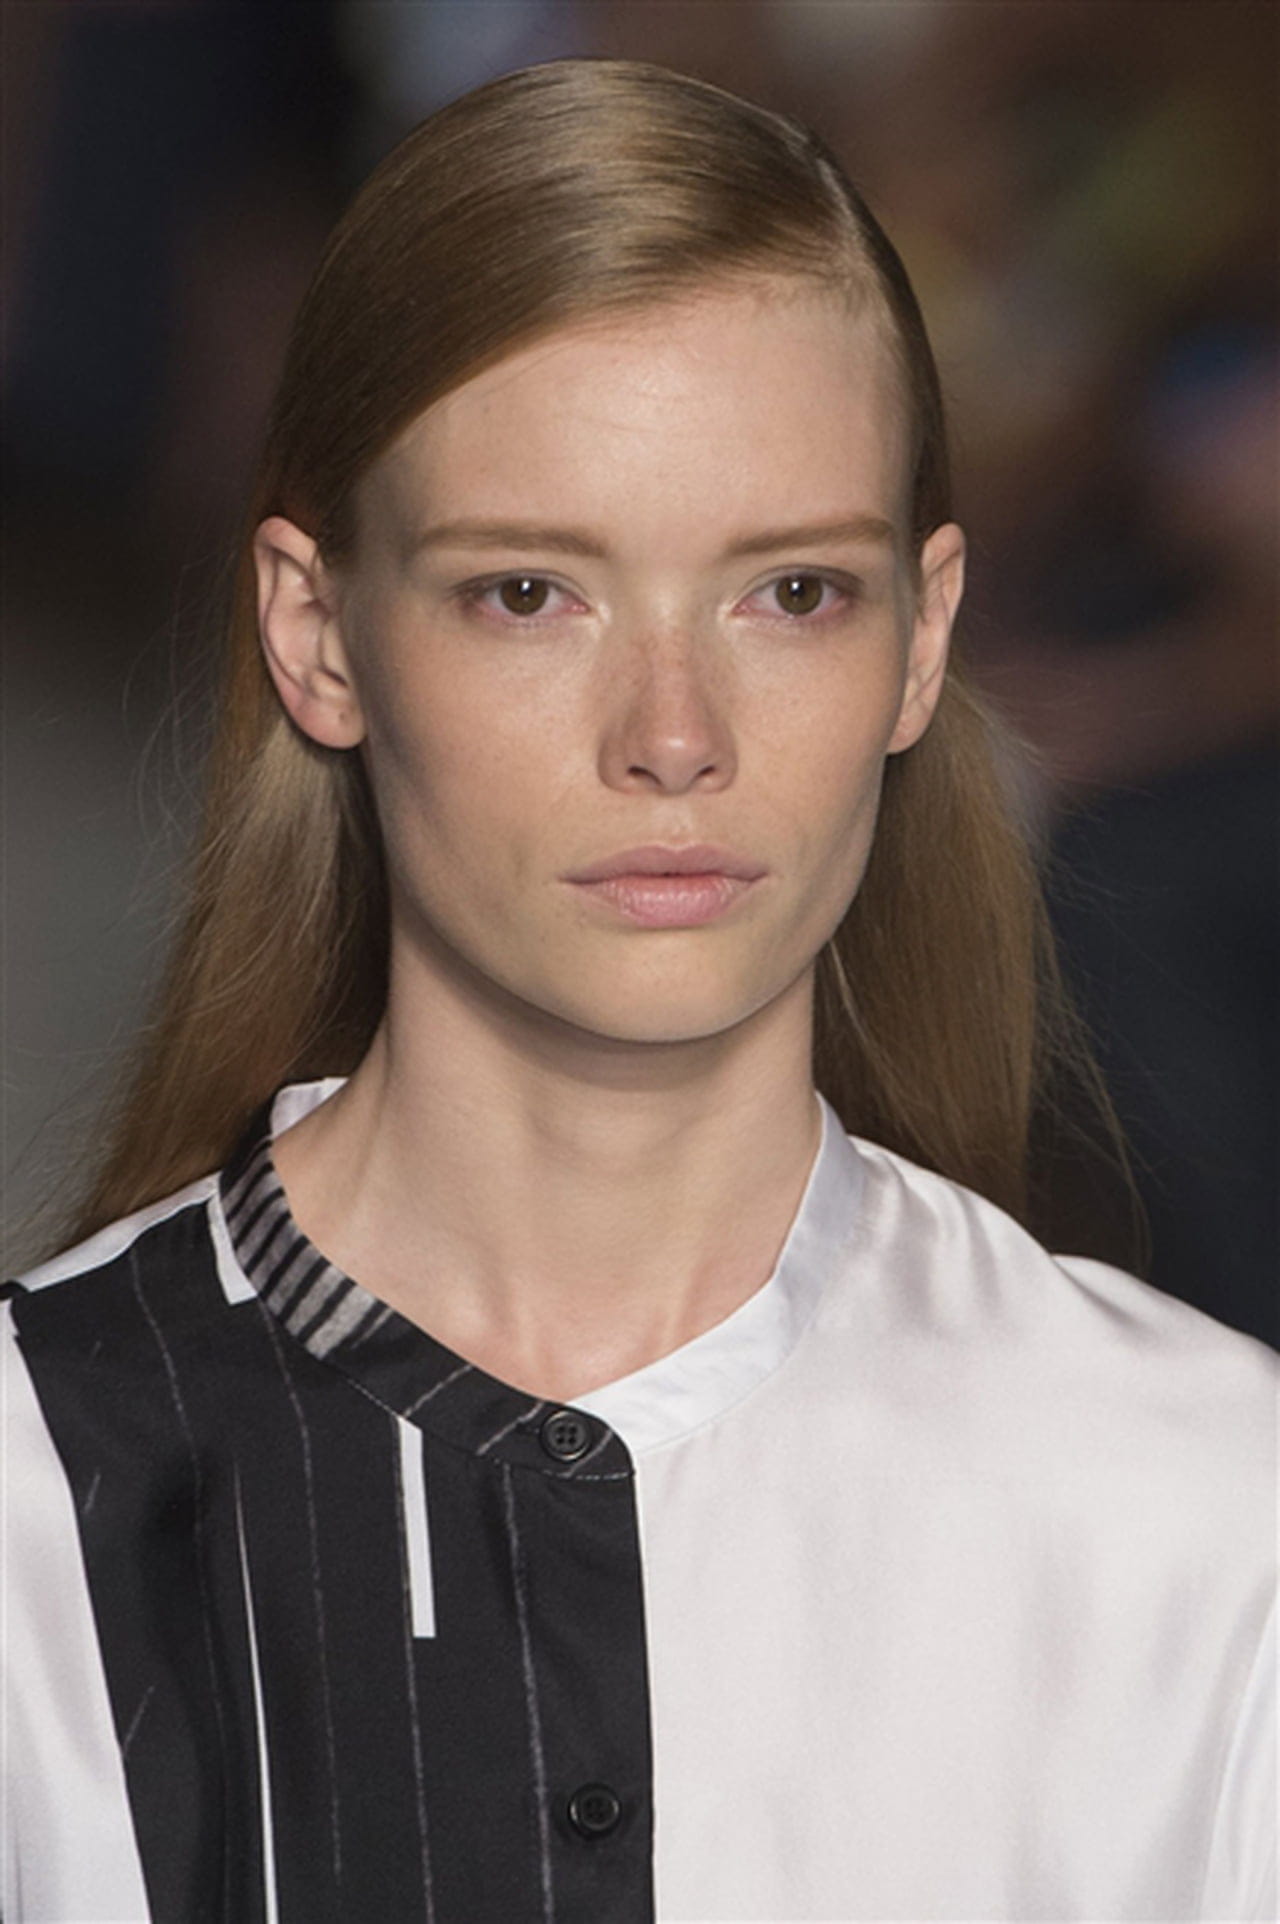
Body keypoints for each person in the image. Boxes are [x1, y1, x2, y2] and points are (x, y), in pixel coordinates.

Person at [2, 56, 1274, 1924]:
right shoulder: (31, 1502)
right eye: (530, 592)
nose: (673, 735)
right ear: (317, 632)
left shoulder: (1206, 1510)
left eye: (791, 594)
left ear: (924, 641)